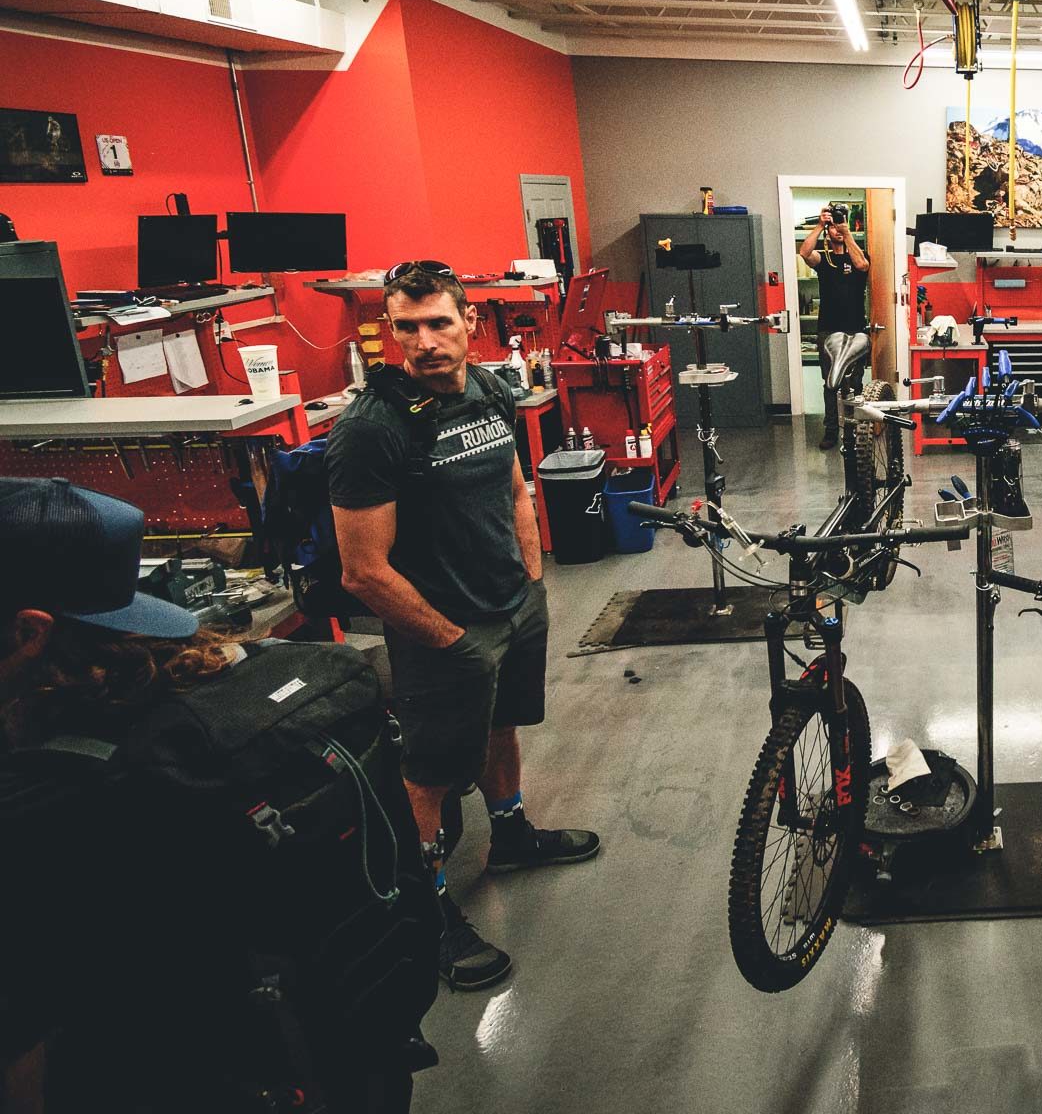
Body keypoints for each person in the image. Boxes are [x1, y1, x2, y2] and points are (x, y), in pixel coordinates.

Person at [0, 478, 429, 1112]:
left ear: (28, 632)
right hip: (355, 1047)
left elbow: (23, 1055)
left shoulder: (52, 798)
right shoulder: (236, 687)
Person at [328, 261, 599, 993]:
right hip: (441, 629)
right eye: (407, 327)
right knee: (429, 773)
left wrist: (532, 580)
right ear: (391, 330)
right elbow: (361, 572)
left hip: (511, 604)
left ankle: (510, 833)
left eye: (438, 323)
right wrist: (450, 640)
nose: (424, 342)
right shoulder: (371, 431)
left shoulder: (489, 390)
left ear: (468, 322)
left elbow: (515, 487)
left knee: (501, 725)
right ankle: (428, 909)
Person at [798, 205, 871, 449]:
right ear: (829, 230)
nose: (838, 229)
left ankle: (858, 427)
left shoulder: (859, 254)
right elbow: (804, 252)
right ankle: (831, 431)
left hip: (855, 330)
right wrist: (820, 225)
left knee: (856, 383)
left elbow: (862, 266)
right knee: (831, 383)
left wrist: (846, 232)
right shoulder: (823, 259)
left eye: (842, 222)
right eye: (835, 225)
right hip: (828, 330)